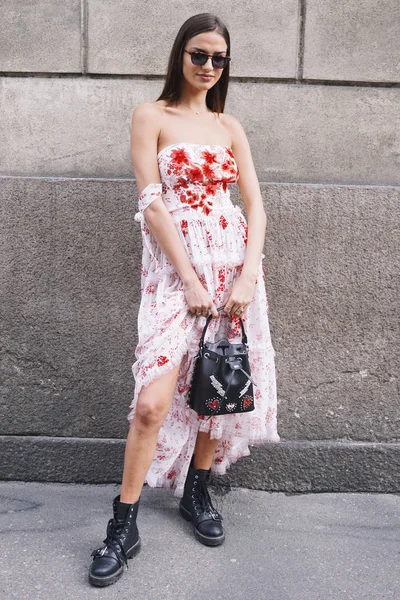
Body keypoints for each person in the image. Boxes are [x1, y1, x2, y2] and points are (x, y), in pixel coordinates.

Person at [88, 12, 280, 588]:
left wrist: (246, 277)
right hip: (176, 277)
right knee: (152, 401)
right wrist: (191, 281)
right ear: (180, 55)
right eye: (199, 54)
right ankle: (124, 524)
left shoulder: (229, 126)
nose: (208, 66)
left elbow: (255, 206)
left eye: (218, 59)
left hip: (234, 272)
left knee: (213, 386)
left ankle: (197, 491)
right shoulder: (150, 116)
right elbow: (151, 202)